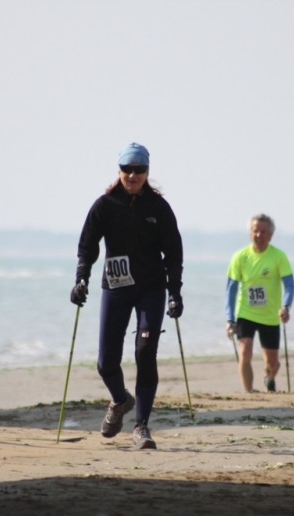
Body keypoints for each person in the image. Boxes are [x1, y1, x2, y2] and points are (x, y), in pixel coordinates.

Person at [70, 142, 183, 450]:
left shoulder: (158, 208)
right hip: (116, 287)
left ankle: (142, 427)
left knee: (145, 352)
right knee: (106, 362)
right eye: (127, 170)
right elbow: (88, 247)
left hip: (151, 288)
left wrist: (175, 291)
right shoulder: (105, 205)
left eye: (139, 170)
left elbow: (173, 252)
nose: (132, 175)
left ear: (147, 172)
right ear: (118, 170)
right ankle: (120, 400)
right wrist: (81, 278)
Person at [225, 214, 294, 393]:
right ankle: (248, 392)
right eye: (255, 231)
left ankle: (269, 378)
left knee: (272, 364)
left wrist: (285, 307)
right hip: (246, 313)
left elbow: (289, 285)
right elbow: (231, 289)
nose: (259, 235)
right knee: (245, 352)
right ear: (250, 233)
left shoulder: (278, 256)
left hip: (270, 316)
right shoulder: (240, 257)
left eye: (263, 232)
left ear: (270, 235)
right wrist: (229, 319)